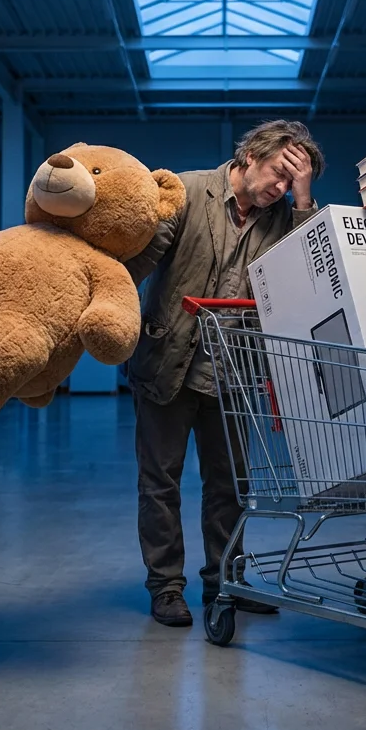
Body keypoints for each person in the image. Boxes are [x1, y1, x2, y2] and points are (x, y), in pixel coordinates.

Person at [121, 120, 326, 627]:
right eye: (279, 174)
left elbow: (304, 278)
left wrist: (303, 200)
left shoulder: (284, 217)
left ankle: (225, 582)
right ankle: (167, 587)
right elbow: (138, 264)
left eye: (290, 182)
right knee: (159, 484)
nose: (278, 188)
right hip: (167, 364)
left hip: (233, 372)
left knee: (230, 486)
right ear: (252, 154)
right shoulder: (187, 191)